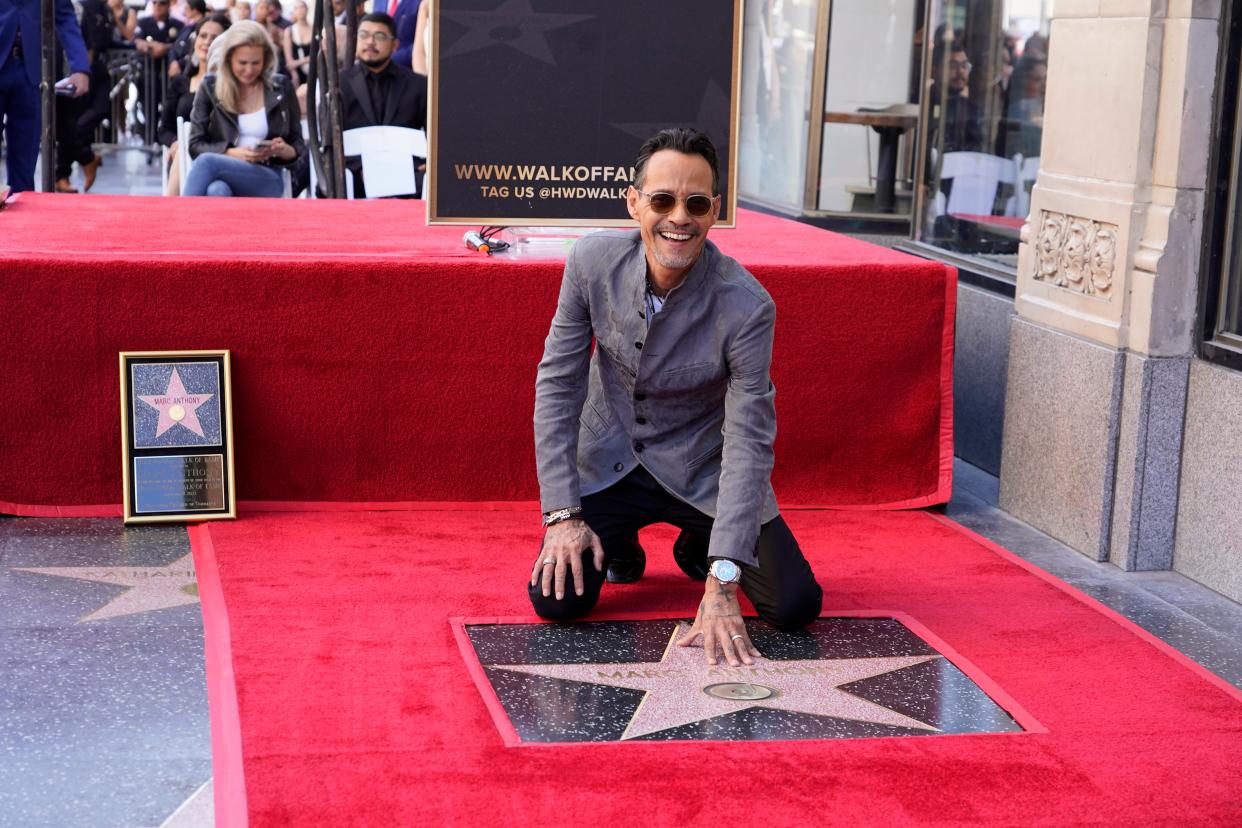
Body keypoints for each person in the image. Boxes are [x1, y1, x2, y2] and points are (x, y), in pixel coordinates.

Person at [530, 128, 824, 666]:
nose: (678, 218)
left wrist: (724, 578)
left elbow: (749, 438)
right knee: (556, 600)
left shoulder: (748, 306)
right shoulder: (590, 262)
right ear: (634, 202)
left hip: (703, 474)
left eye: (695, 203)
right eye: (662, 200)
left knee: (795, 604)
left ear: (715, 211)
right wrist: (561, 515)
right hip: (610, 464)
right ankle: (618, 541)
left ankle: (699, 542)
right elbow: (559, 382)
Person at [183, 19, 303, 197]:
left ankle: (179, 221)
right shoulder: (210, 86)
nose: (249, 70)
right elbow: (195, 146)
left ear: (266, 59)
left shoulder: (281, 87)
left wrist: (284, 150)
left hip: (268, 176)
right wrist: (233, 153)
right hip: (224, 169)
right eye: (242, 63)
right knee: (216, 190)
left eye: (256, 63)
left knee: (207, 163)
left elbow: (298, 145)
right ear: (229, 58)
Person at [0, 0, 91, 192]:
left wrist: (80, 68)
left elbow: (65, 17)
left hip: (30, 74)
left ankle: (22, 218)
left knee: (25, 165)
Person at [339, 12, 426, 197]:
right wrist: (360, 169)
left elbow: (435, 134)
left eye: (379, 36)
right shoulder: (338, 83)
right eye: (363, 35)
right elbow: (330, 138)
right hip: (354, 175)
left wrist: (433, 162)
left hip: (410, 176)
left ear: (395, 45)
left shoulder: (418, 85)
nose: (370, 42)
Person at [159, 13, 229, 194]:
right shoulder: (180, 83)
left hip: (218, 153)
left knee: (218, 189)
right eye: (203, 36)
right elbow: (163, 128)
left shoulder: (233, 86)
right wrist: (176, 142)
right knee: (183, 149)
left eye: (215, 38)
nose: (207, 42)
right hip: (183, 157)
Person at [281, 0, 311, 85]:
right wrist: (307, 59)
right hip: (297, 76)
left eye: (302, 7)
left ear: (307, 9)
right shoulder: (290, 31)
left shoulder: (315, 29)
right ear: (293, 11)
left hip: (314, 73)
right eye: (296, 8)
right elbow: (289, 63)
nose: (300, 10)